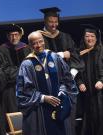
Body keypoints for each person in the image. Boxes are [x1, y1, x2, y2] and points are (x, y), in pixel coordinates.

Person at [16, 31, 77, 135]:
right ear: (30, 45)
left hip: (59, 105)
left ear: (44, 41)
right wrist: (43, 98)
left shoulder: (54, 57)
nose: (39, 45)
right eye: (35, 43)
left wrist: (62, 91)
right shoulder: (27, 64)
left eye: (40, 41)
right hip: (39, 110)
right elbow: (23, 91)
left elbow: (67, 79)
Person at [39, 7, 83, 135]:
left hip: (67, 84)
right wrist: (60, 54)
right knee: (50, 117)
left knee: (68, 116)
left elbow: (76, 56)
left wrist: (72, 73)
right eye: (50, 21)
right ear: (45, 21)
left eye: (55, 21)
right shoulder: (38, 37)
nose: (53, 25)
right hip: (47, 85)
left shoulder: (65, 36)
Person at [75, 24, 103, 135]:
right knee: (88, 119)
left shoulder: (101, 51)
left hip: (100, 94)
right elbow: (74, 71)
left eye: (92, 36)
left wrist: (102, 80)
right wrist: (79, 82)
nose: (89, 39)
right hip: (86, 95)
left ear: (96, 38)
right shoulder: (79, 53)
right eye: (87, 36)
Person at [0, 24, 31, 113]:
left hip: (26, 87)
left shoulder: (26, 48)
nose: (14, 37)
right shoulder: (2, 50)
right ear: (8, 36)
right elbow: (4, 70)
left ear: (20, 35)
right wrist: (24, 71)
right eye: (11, 35)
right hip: (10, 88)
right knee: (13, 113)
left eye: (16, 35)